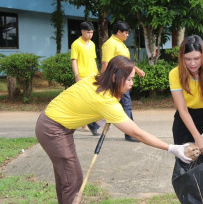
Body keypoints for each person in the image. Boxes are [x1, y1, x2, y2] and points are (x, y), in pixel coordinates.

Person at [35, 56, 191, 204]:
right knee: (73, 178)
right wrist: (172, 148)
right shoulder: (106, 101)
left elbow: (114, 63)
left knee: (66, 177)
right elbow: (137, 133)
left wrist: (132, 69)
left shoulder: (96, 79)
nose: (132, 84)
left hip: (54, 122)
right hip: (53, 130)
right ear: (116, 78)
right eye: (129, 79)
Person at [101, 21, 145, 142]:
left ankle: (130, 132)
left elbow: (126, 62)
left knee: (125, 104)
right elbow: (106, 64)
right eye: (126, 33)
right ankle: (130, 133)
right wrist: (105, 81)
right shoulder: (110, 44)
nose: (127, 35)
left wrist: (137, 70)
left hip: (124, 80)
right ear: (119, 32)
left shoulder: (121, 44)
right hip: (117, 81)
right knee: (125, 105)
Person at [71, 21, 101, 136]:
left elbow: (93, 59)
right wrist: (77, 75)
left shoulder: (92, 44)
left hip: (92, 75)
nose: (90, 35)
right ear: (82, 31)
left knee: (93, 99)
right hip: (82, 76)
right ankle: (85, 124)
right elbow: (74, 60)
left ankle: (86, 124)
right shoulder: (76, 44)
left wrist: (98, 72)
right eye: (88, 32)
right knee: (85, 100)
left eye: (92, 33)